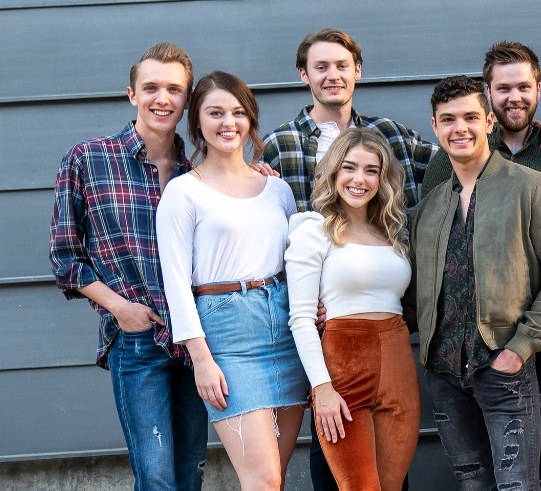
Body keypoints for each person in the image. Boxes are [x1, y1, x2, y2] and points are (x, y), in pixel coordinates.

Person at [49, 42, 208, 491]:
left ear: (187, 99)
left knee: (190, 472)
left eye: (174, 89)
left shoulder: (199, 169)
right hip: (137, 341)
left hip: (196, 341)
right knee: (156, 477)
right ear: (131, 94)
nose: (163, 98)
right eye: (152, 87)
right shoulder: (88, 159)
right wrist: (120, 309)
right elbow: (65, 257)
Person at [411, 75, 541, 490]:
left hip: (504, 366)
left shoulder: (534, 188)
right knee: (472, 485)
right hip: (444, 372)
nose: (459, 128)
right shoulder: (430, 206)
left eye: (469, 117)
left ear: (488, 121)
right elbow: (416, 291)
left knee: (518, 485)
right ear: (435, 127)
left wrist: (519, 351)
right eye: (448, 120)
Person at [157, 71, 309, 489]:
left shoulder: (275, 188)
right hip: (228, 334)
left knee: (273, 479)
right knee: (260, 479)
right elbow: (175, 283)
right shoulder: (183, 192)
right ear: (197, 122)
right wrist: (201, 359)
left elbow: (296, 262)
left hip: (285, 327)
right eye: (216, 113)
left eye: (239, 112)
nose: (229, 122)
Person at [285, 128, 420, 489]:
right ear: (333, 172)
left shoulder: (392, 232)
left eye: (371, 170)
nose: (360, 179)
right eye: (349, 168)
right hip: (343, 371)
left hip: (398, 368)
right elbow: (300, 318)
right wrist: (322, 388)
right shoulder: (314, 230)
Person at [262, 28, 437, 211]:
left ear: (357, 70)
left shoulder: (392, 134)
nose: (333, 76)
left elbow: (457, 164)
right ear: (304, 74)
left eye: (342, 66)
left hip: (386, 239)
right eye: (321, 67)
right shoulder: (280, 145)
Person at [421, 41, 541, 193]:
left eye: (523, 87)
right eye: (504, 88)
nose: (515, 97)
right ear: (489, 91)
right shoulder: (452, 157)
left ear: (537, 90)